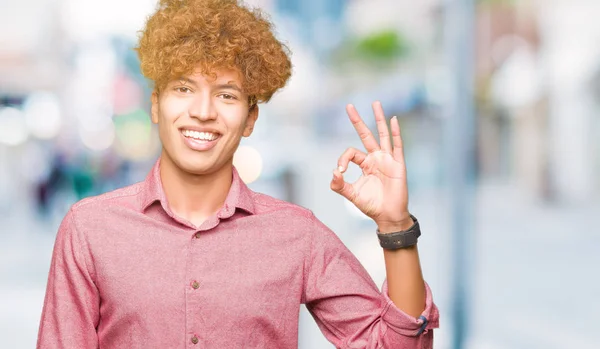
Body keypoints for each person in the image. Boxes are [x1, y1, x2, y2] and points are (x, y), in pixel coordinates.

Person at [37, 0, 439, 348]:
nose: (204, 111)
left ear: (249, 119)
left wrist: (395, 225)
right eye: (184, 88)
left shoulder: (297, 235)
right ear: (156, 105)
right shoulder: (89, 229)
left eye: (226, 95)